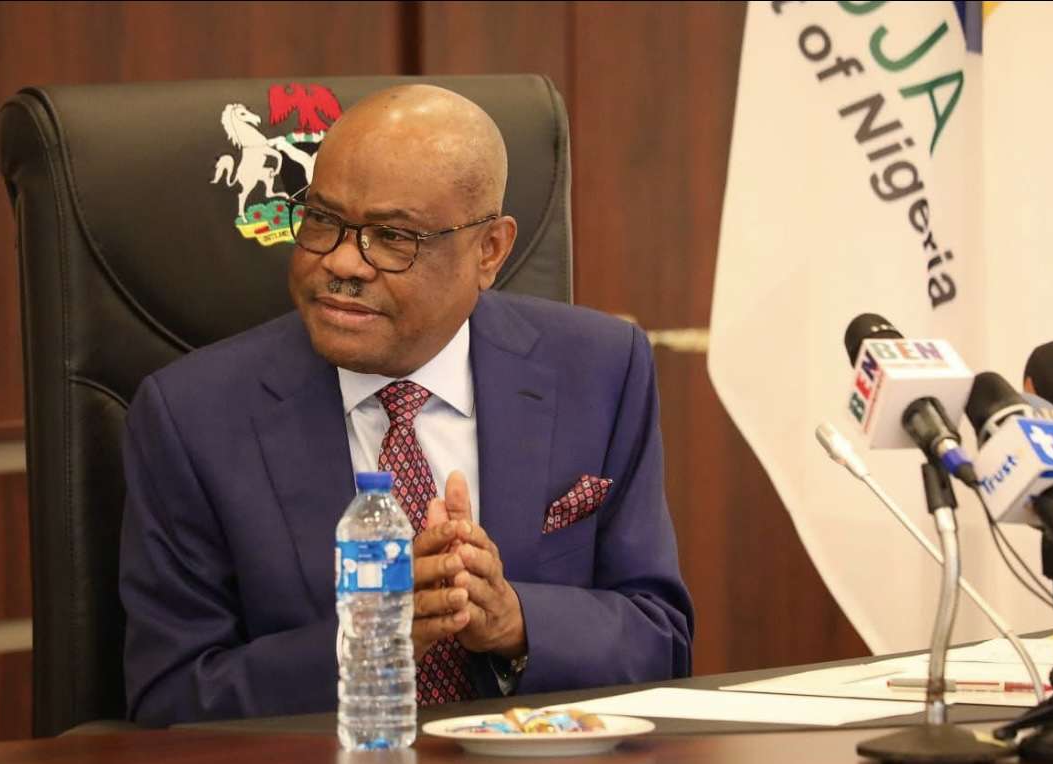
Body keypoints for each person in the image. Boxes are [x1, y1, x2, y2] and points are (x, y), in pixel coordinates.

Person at [119, 84, 693, 726]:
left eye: (392, 236)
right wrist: (369, 641)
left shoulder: (600, 369)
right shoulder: (191, 416)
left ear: (489, 251)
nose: (341, 262)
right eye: (322, 220)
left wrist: (515, 620)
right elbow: (171, 698)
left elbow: (660, 641)